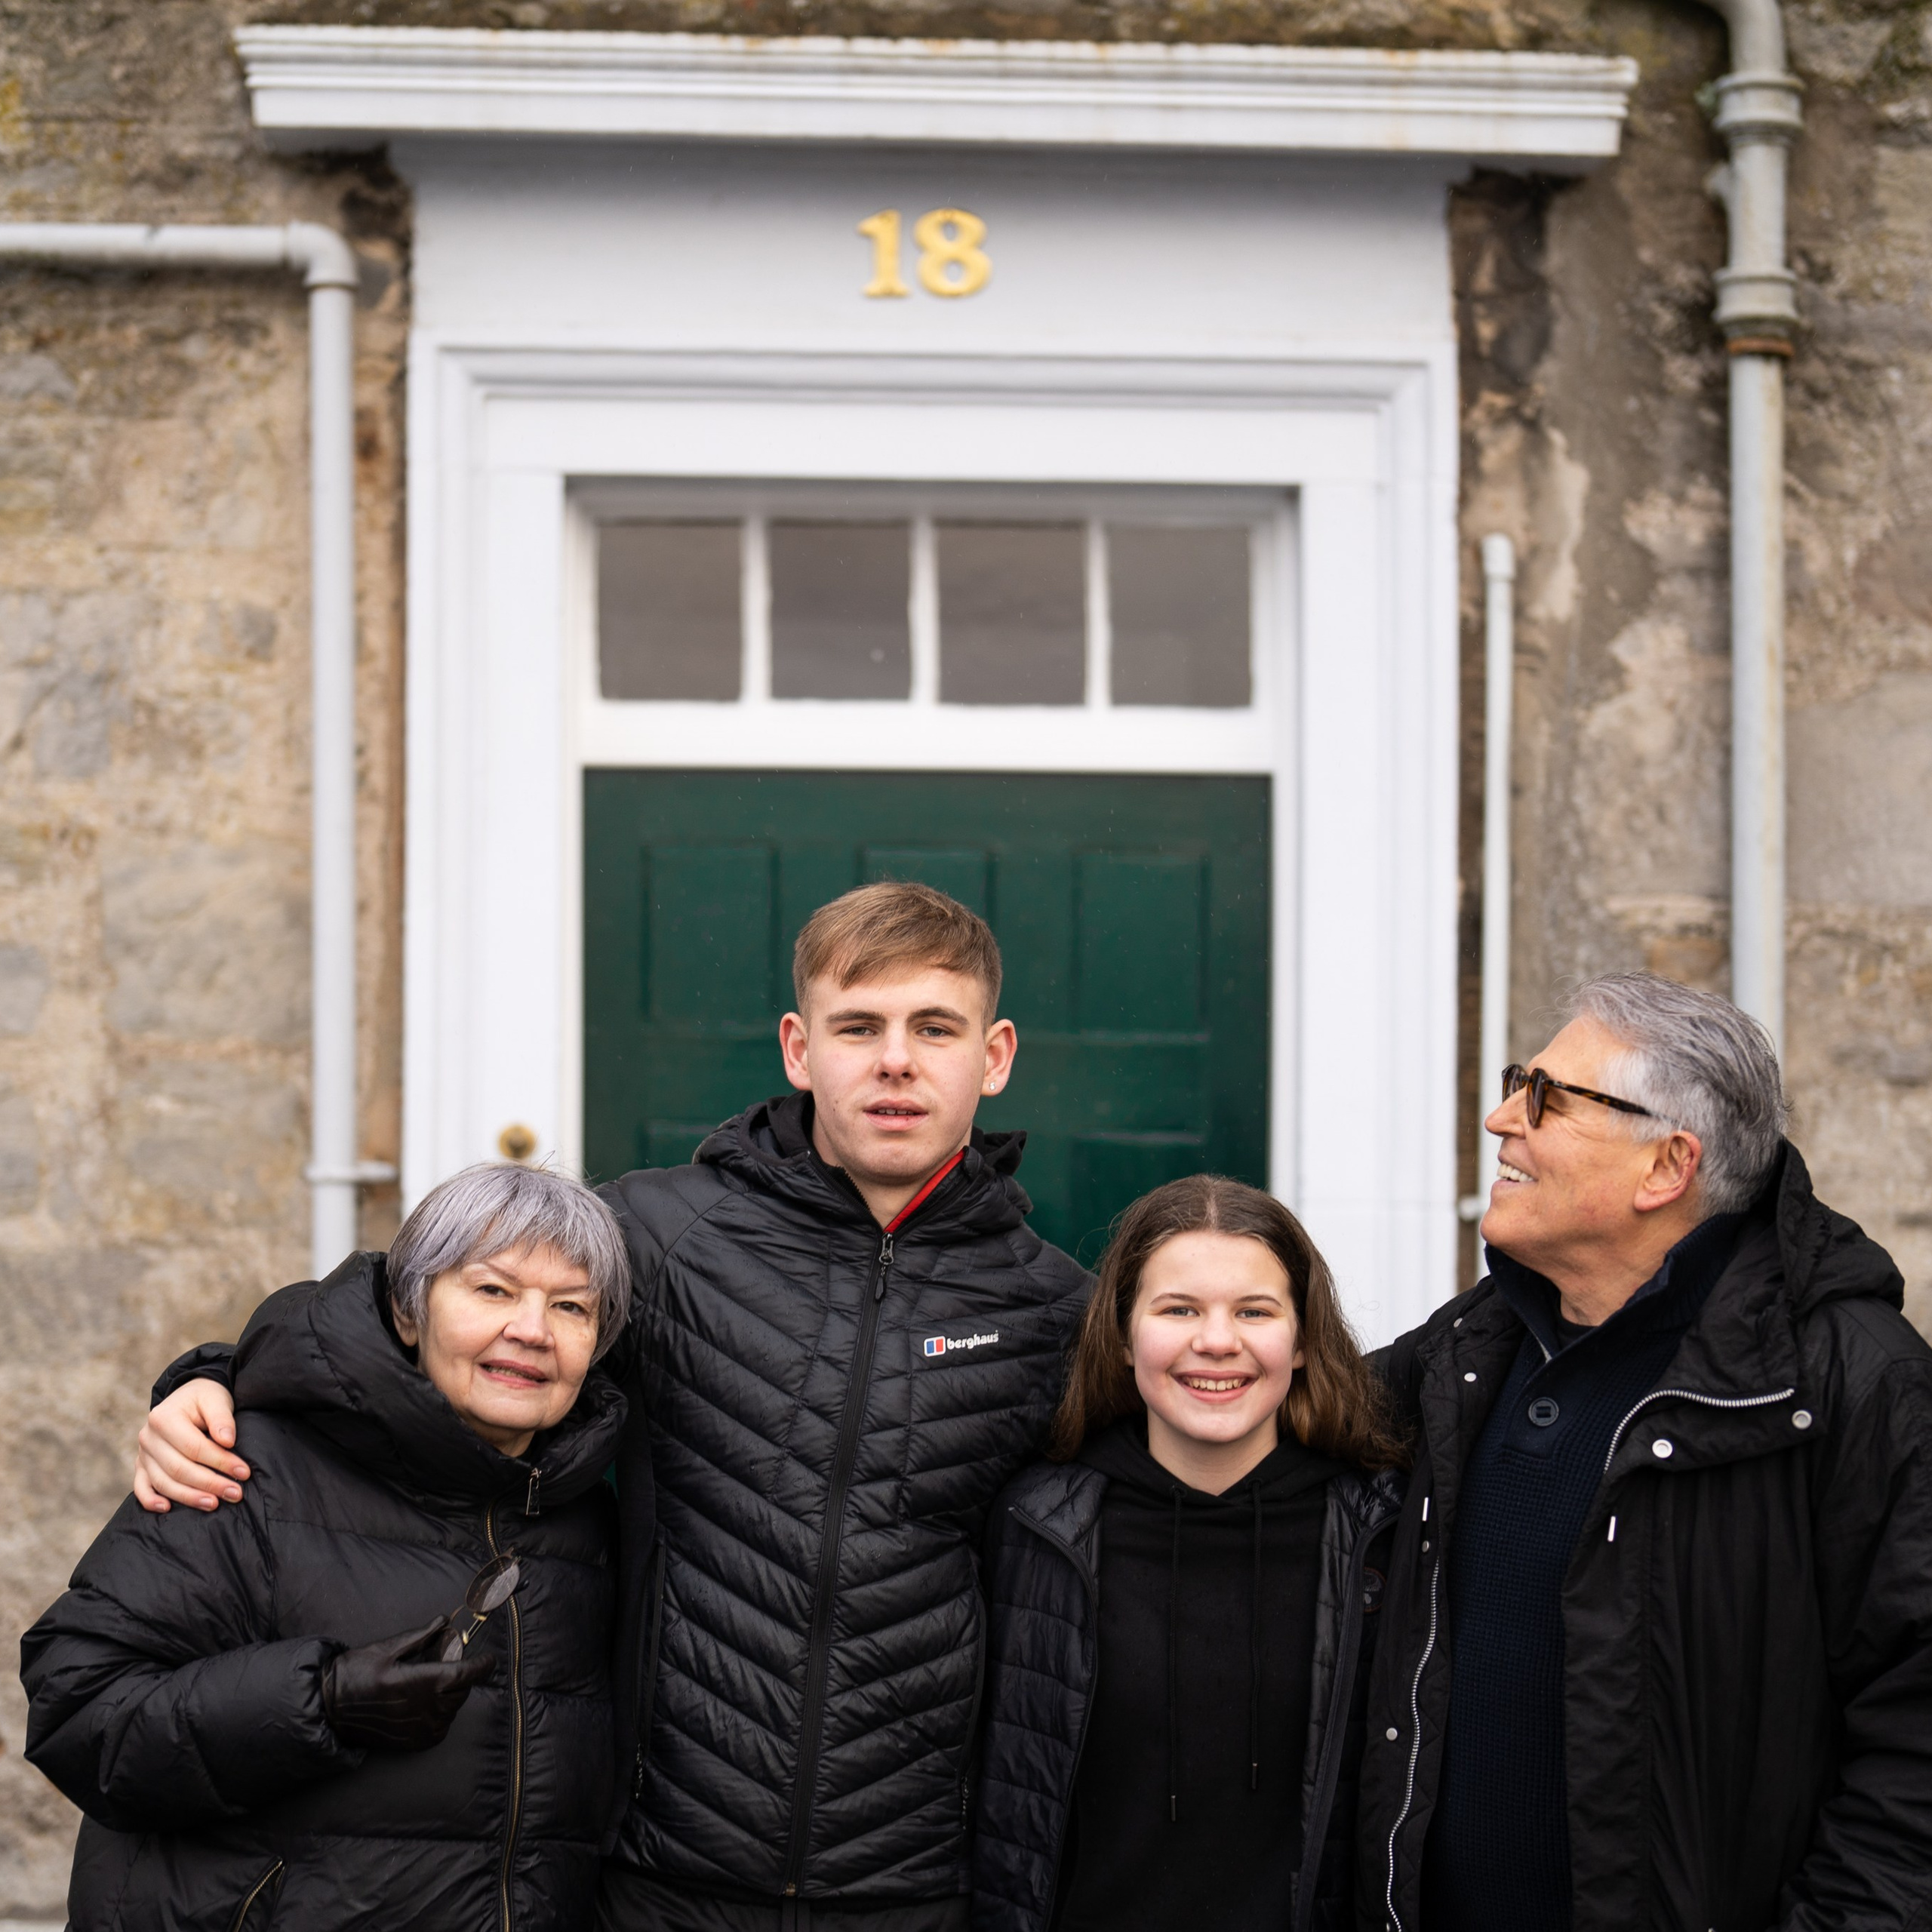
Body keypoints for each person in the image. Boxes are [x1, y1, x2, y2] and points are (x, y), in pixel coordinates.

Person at [128, 881, 1094, 1932]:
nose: (895, 1060)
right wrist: (211, 1376)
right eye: (857, 1026)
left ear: (992, 1056)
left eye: (933, 1029)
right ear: (798, 1048)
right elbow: (411, 1316)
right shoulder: (661, 1236)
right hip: (657, 1865)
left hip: (910, 1884)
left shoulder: (1050, 1307)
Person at [1358, 972, 1932, 1932]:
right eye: (1516, 1082)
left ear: (1666, 1165)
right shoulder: (1472, 1348)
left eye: (1544, 1097)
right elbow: (1260, 1415)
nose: (1502, 1118)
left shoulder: (1851, 1382)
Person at [22, 1161, 632, 1931]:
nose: (532, 1329)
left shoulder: (588, 1517)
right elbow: (81, 1708)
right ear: (410, 1313)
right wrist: (318, 1702)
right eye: (493, 1290)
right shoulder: (247, 1467)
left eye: (571, 1306)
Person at [972, 1175, 1406, 1932]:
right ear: (1121, 1331)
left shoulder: (1381, 1534)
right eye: (1178, 1309)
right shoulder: (1032, 1528)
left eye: (1254, 1311)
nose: (1216, 1340)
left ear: (1301, 1340)